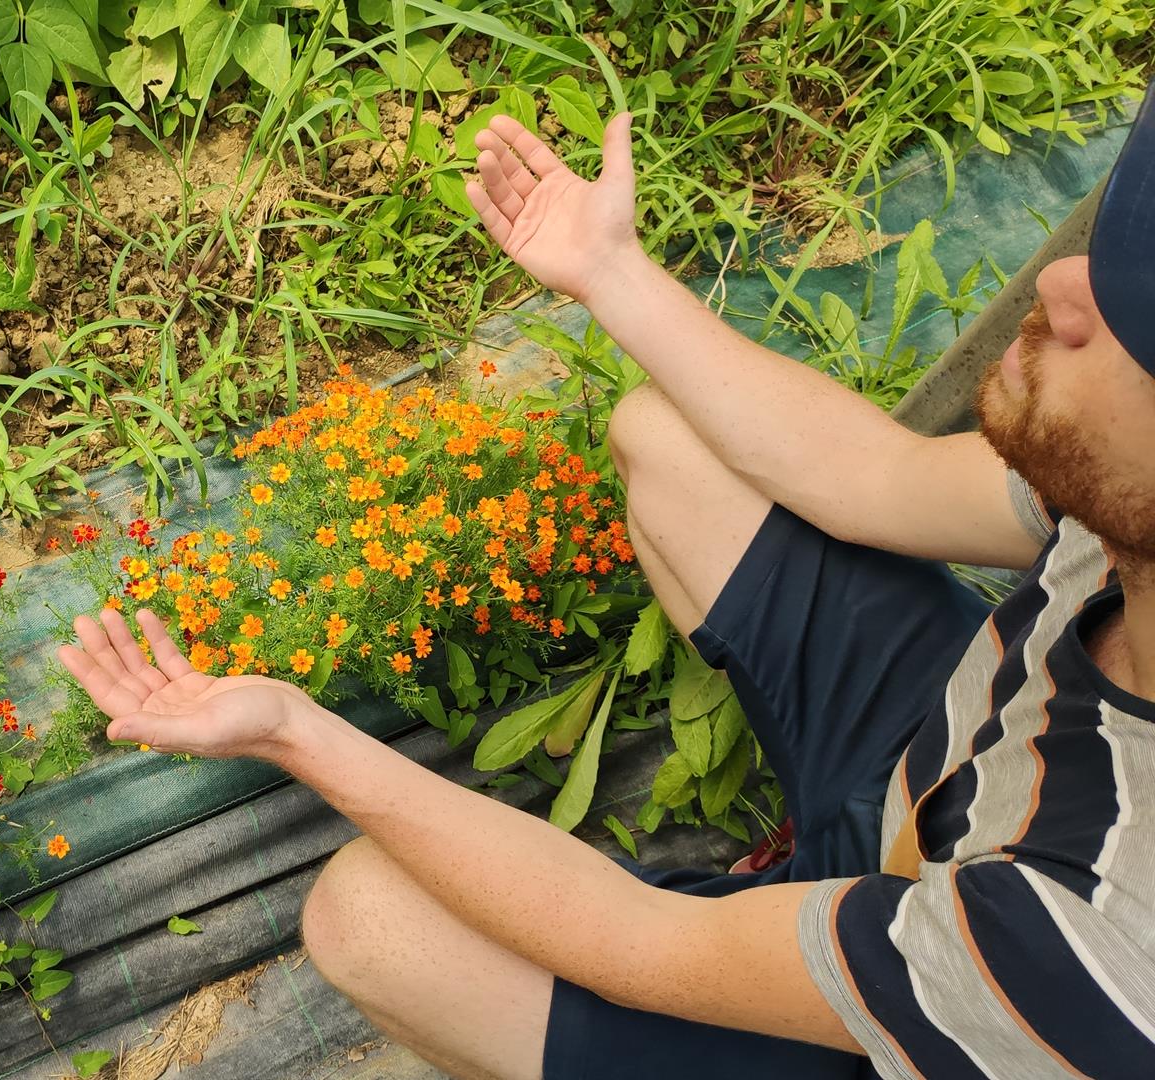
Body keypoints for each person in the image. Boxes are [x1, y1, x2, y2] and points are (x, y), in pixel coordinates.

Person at [57, 95, 1155, 1080]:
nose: (1061, 282)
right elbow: (883, 479)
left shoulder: (1099, 945)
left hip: (938, 1002)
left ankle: (797, 929)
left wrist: (295, 730)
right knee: (666, 442)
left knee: (369, 918)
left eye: (1138, 324)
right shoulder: (1127, 506)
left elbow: (638, 946)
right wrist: (608, 271)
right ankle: (823, 855)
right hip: (941, 767)